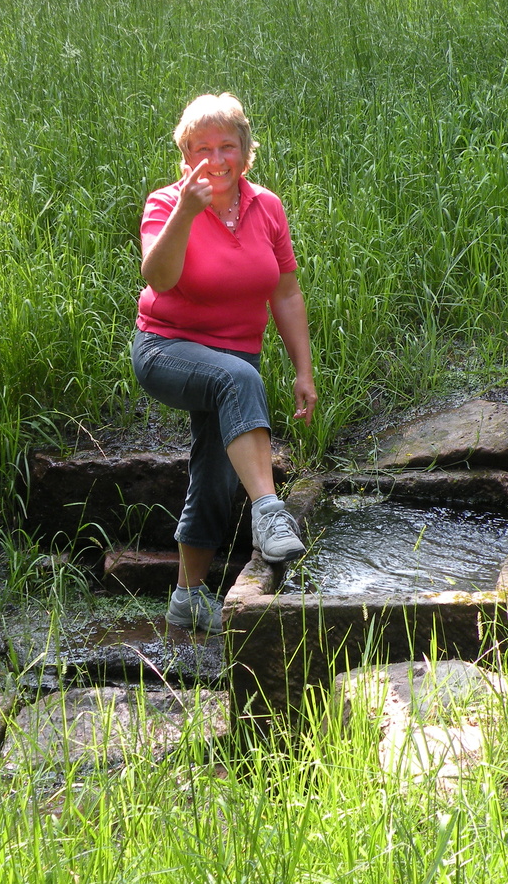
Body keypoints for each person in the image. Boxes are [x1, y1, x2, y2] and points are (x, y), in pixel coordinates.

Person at [131, 93, 317, 635]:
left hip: (237, 361)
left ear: (245, 150)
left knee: (215, 472)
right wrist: (188, 214)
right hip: (166, 349)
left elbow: (286, 292)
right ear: (185, 155)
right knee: (238, 379)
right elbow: (158, 277)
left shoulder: (267, 207)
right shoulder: (166, 204)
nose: (216, 159)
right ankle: (270, 512)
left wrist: (303, 370)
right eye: (202, 148)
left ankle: (187, 597)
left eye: (227, 146)